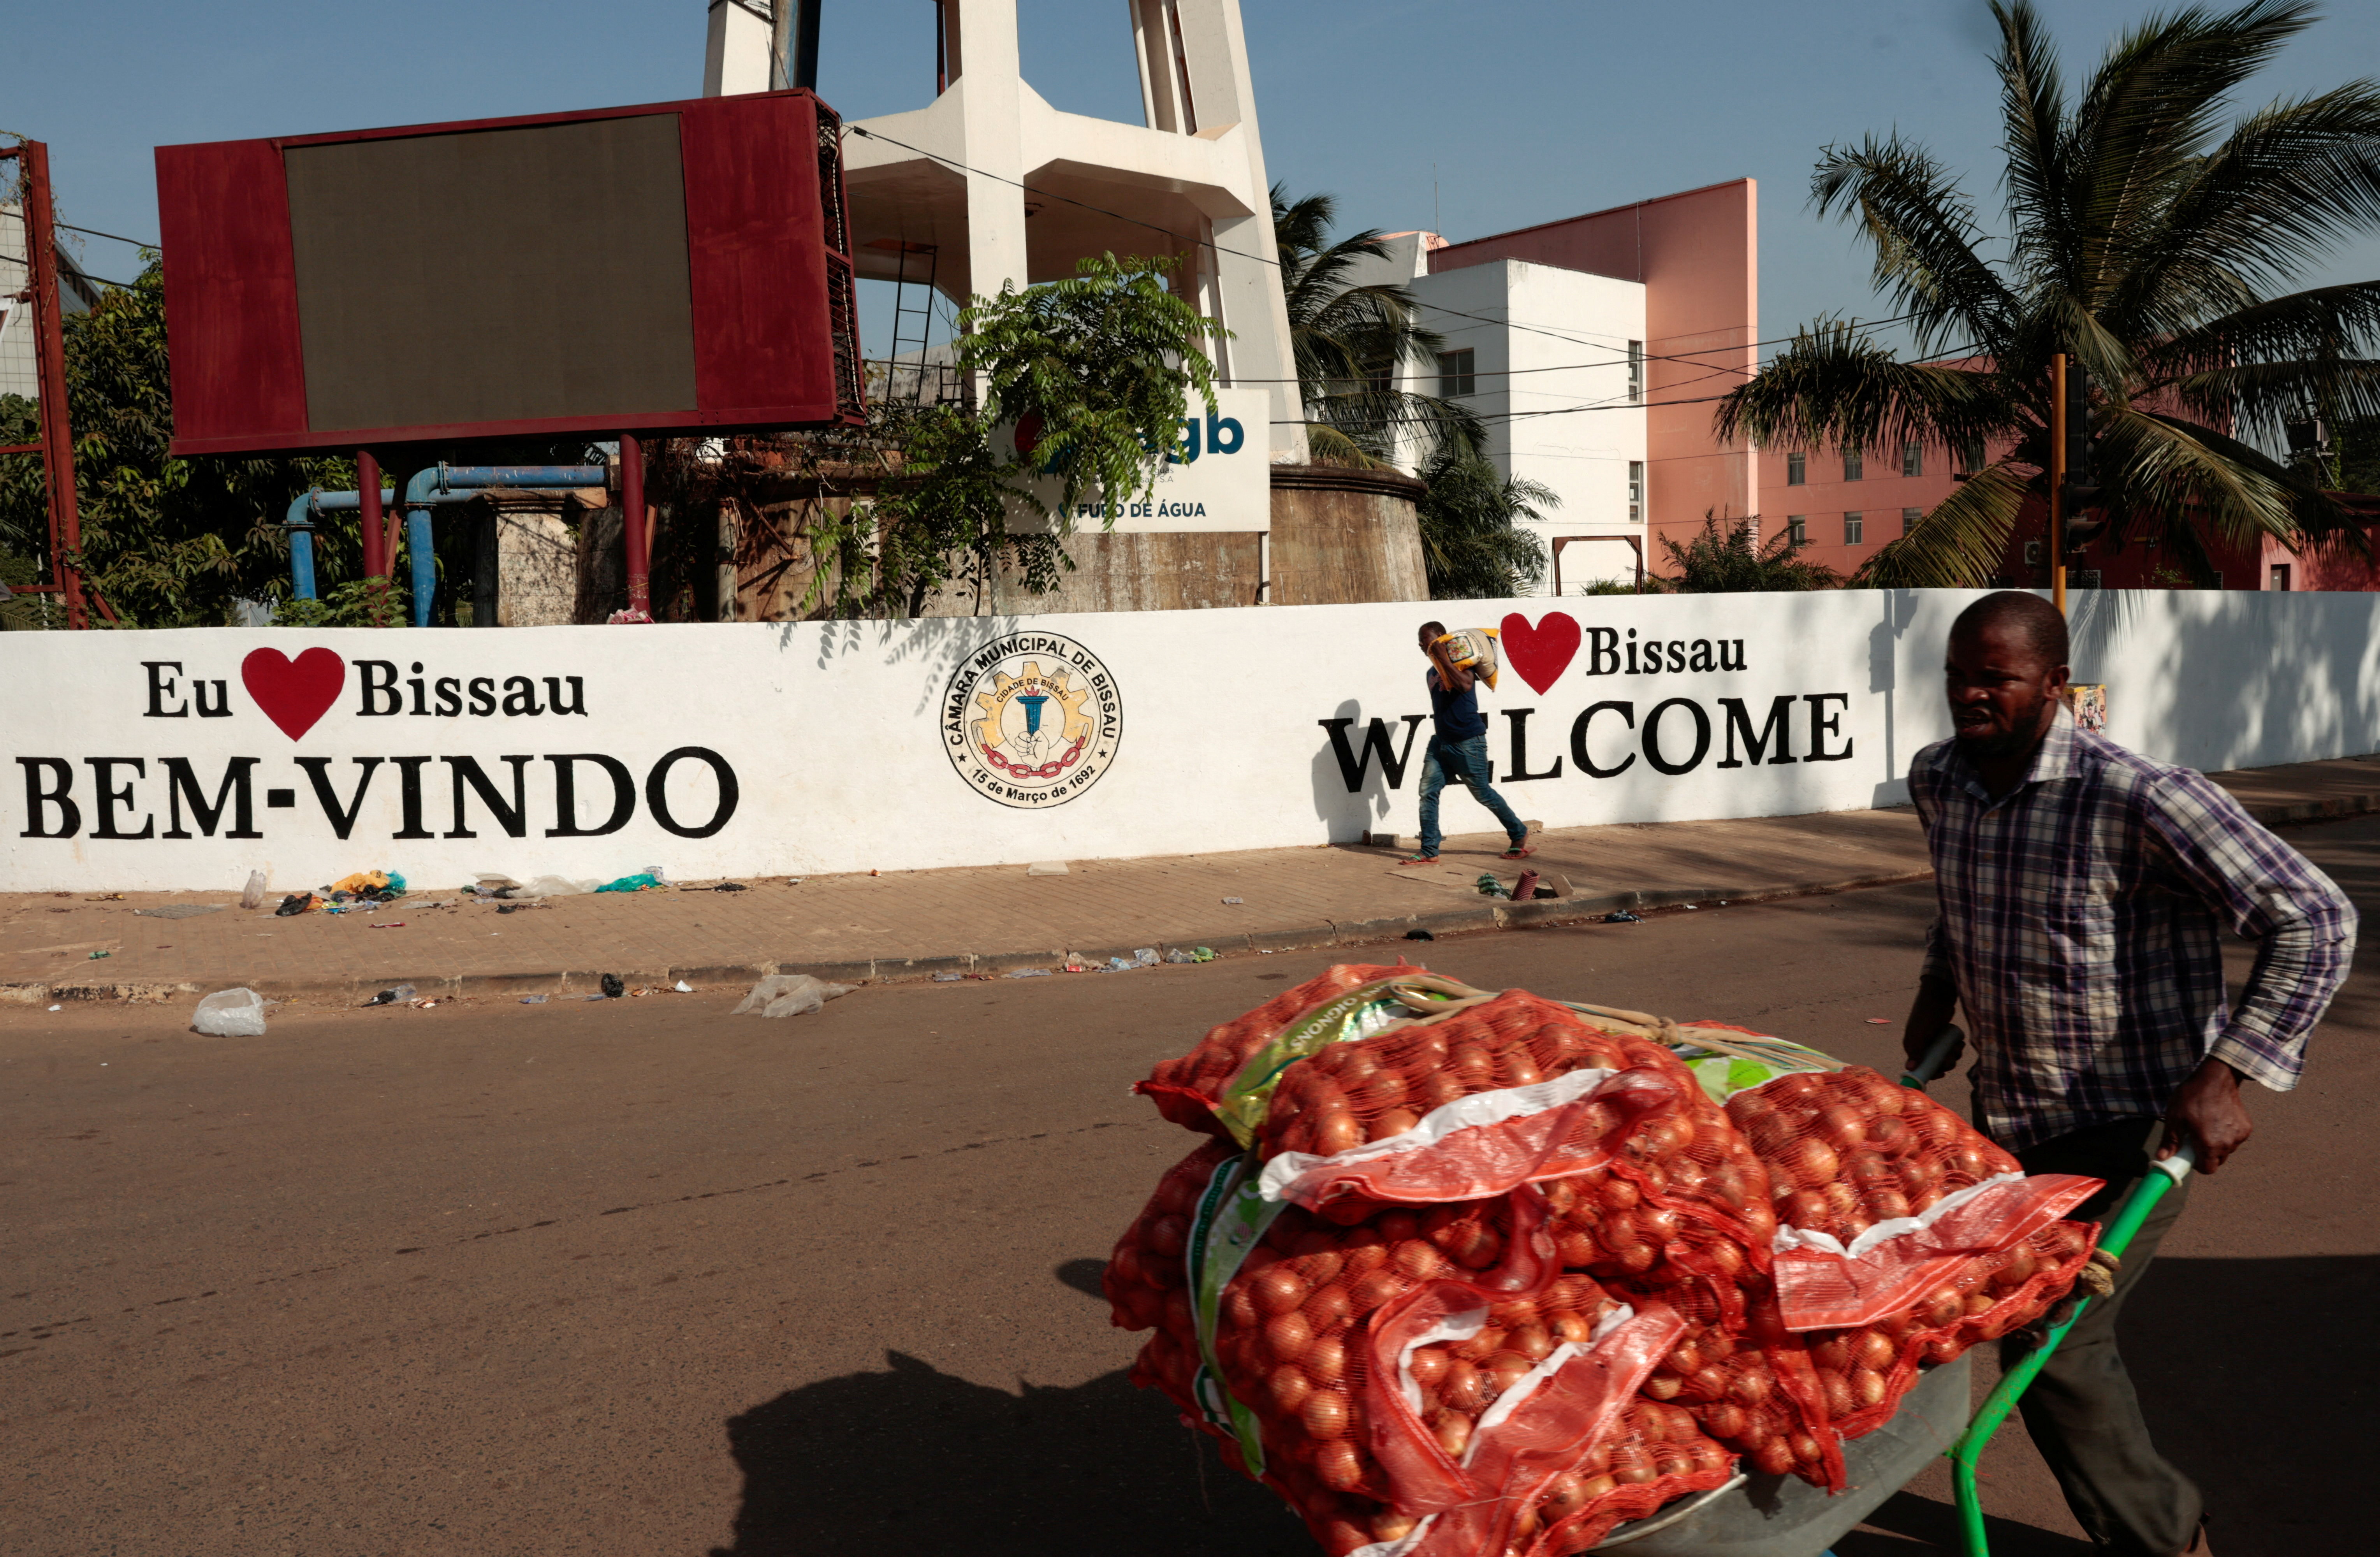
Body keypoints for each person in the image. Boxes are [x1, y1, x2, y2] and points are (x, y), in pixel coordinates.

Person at [1900, 591, 2355, 1557]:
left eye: (1997, 677)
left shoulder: (2142, 795)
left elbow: (2315, 917)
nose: (1970, 695)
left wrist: (2228, 1070)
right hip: (2011, 1116)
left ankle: (2163, 1537)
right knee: (2007, 1317)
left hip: (2133, 1126)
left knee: (2052, 1336)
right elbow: (1962, 892)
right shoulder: (1938, 777)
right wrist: (1939, 987)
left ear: (2054, 684)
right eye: (1957, 675)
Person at [1402, 621, 1533, 865]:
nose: (1421, 644)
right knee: (1427, 793)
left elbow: (1464, 686)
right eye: (1420, 640)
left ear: (1440, 637)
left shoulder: (1464, 664)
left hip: (1468, 742)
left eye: (1426, 638)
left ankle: (1519, 833)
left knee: (1482, 793)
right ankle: (1429, 849)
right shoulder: (1432, 673)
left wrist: (1444, 657)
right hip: (1440, 742)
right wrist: (1438, 661)